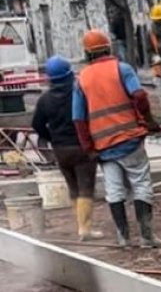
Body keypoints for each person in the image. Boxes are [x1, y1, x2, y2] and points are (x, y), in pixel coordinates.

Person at [71, 29, 161, 249]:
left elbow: (78, 119)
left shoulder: (81, 79)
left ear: (87, 53)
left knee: (114, 190)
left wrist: (89, 148)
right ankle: (146, 236)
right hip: (130, 140)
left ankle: (123, 238)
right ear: (108, 48)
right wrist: (149, 120)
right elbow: (139, 95)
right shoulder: (122, 69)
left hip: (103, 147)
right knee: (141, 185)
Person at [32, 56, 103, 241]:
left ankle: (80, 226)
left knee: (73, 187)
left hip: (60, 150)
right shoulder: (80, 94)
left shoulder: (44, 99)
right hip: (81, 147)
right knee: (86, 187)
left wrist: (52, 138)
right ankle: (85, 229)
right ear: (70, 74)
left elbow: (37, 124)